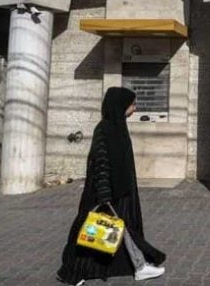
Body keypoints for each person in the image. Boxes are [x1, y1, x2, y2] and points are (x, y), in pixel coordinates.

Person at [57, 87, 166, 286]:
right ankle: (75, 272)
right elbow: (101, 162)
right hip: (108, 193)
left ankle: (139, 266)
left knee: (122, 231)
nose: (135, 108)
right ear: (120, 106)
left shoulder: (118, 127)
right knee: (94, 233)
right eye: (132, 104)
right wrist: (105, 194)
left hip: (121, 191)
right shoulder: (104, 129)